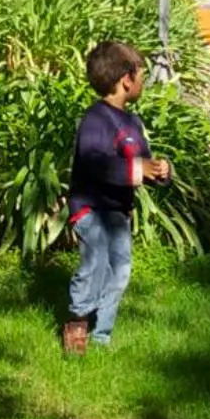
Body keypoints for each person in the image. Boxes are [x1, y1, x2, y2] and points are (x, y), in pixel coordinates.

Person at [61, 40, 171, 355]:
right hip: (91, 208)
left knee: (120, 271)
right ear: (126, 79)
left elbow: (143, 163)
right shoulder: (96, 118)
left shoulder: (132, 123)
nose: (144, 81)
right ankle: (77, 324)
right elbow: (95, 163)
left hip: (117, 213)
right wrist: (138, 169)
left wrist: (160, 171)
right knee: (96, 264)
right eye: (142, 75)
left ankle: (102, 336)